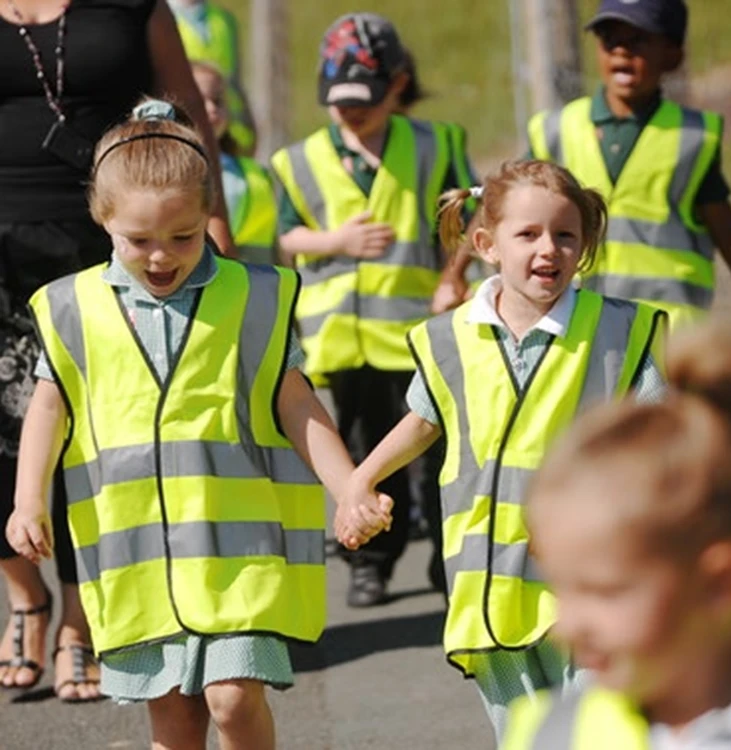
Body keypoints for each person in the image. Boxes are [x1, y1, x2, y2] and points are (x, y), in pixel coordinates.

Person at [6, 100, 390, 750]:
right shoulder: (72, 308)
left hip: (238, 557)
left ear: (208, 214)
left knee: (233, 699)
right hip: (139, 561)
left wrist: (350, 485)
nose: (161, 257)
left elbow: (294, 402)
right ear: (102, 219)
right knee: (176, 724)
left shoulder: (253, 295)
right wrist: (27, 501)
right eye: (139, 240)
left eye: (183, 236)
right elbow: (49, 405)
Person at [336, 159, 668, 744]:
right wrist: (359, 481)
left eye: (567, 235)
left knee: (600, 734)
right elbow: (422, 421)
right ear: (486, 244)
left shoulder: (620, 331)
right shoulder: (448, 338)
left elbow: (663, 434)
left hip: (587, 584)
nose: (550, 249)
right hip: (489, 588)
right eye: (529, 234)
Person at [0, 0, 232, 701]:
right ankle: (24, 597)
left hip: (117, 244)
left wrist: (210, 217)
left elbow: (185, 107)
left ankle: (79, 616)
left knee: (88, 436)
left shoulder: (131, 4)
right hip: (0, 248)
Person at [271, 12, 477, 607]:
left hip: (419, 330)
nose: (351, 113)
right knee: (362, 452)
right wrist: (334, 241)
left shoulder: (437, 144)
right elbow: (286, 235)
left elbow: (467, 221)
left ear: (397, 85)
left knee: (439, 451)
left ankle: (448, 562)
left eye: (365, 99)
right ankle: (371, 562)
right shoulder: (298, 160)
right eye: (339, 102)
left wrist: (452, 278)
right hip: (342, 337)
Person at [502, 321, 731, 749]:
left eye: (604, 592)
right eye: (561, 588)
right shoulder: (551, 732)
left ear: (718, 584)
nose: (567, 625)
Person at [526, 0, 731, 331]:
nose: (621, 51)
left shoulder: (691, 137)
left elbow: (721, 219)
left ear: (673, 55)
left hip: (666, 329)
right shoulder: (558, 129)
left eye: (638, 40)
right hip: (579, 324)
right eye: (609, 39)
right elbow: (505, 201)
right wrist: (455, 274)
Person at [192, 60, 276, 265]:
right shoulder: (164, 175)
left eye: (217, 101)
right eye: (199, 101)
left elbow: (278, 247)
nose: (211, 109)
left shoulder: (255, 174)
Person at [169, 0, 257, 155]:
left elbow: (235, 79)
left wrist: (248, 123)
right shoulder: (160, 18)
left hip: (228, 130)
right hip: (184, 126)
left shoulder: (224, 19)